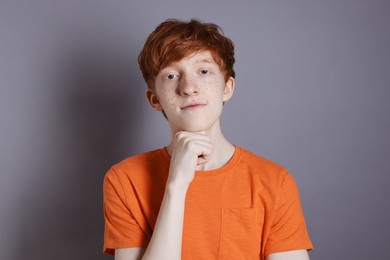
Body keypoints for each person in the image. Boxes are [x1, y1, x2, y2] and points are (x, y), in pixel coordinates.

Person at [103, 18, 313, 260]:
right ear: (154, 99)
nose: (189, 87)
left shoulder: (274, 182)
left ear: (227, 87)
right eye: (171, 75)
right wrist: (176, 185)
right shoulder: (124, 180)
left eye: (203, 71)